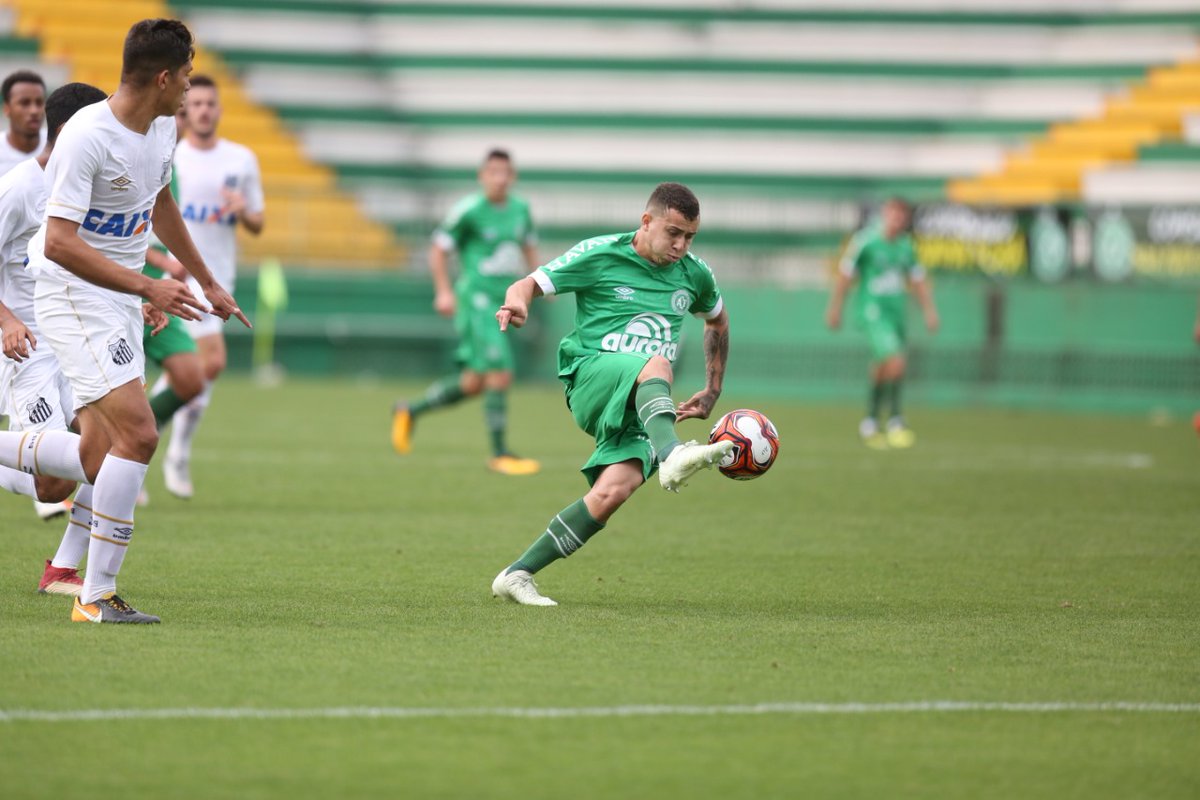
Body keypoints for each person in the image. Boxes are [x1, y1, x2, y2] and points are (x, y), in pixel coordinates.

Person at [0, 18, 248, 624]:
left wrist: (204, 277)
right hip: (70, 296)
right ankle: (95, 596)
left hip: (113, 301)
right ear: (163, 77)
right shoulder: (87, 135)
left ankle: (77, 580)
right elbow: (57, 244)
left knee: (97, 455)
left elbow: (158, 203)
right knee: (138, 435)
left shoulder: (162, 128)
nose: (191, 86)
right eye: (187, 74)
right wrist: (147, 287)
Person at [490, 182, 734, 606]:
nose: (681, 245)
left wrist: (714, 389)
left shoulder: (695, 273)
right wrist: (519, 305)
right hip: (590, 378)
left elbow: (717, 322)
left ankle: (517, 574)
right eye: (673, 233)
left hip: (642, 404)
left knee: (611, 493)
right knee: (658, 363)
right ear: (646, 221)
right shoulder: (600, 253)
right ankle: (673, 454)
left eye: (690, 236)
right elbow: (526, 283)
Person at [0, 82, 109, 597]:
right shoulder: (21, 187)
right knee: (54, 482)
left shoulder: (78, 186)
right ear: (68, 132)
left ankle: (62, 570)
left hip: (72, 334)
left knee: (110, 448)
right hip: (26, 347)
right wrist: (6, 320)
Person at [391, 149, 541, 476]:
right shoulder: (469, 211)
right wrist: (444, 291)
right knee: (500, 371)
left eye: (505, 173)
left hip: (504, 301)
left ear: (512, 177)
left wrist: (541, 282)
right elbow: (438, 249)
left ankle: (409, 410)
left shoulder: (521, 210)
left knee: (474, 383)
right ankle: (500, 453)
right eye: (493, 172)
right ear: (482, 176)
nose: (500, 179)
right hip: (477, 302)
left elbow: (529, 246)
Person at [157, 73, 263, 499]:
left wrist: (243, 211)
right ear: (187, 108)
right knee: (199, 364)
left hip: (218, 276)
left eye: (210, 104)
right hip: (171, 275)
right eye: (195, 103)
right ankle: (160, 447)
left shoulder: (240, 159)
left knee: (205, 367)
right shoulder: (172, 155)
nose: (202, 110)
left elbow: (258, 222)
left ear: (219, 109)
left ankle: (166, 443)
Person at [826, 198, 938, 449]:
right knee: (896, 360)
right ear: (885, 214)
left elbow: (918, 280)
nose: (898, 220)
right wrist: (835, 309)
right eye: (894, 214)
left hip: (896, 313)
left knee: (883, 366)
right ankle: (896, 420)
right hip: (872, 311)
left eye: (902, 216)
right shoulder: (866, 241)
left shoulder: (906, 246)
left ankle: (870, 422)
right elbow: (845, 276)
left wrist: (929, 311)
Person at [0, 70, 46, 176]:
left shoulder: (58, 147)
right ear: (6, 109)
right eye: (25, 103)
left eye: (39, 103)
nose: (34, 111)